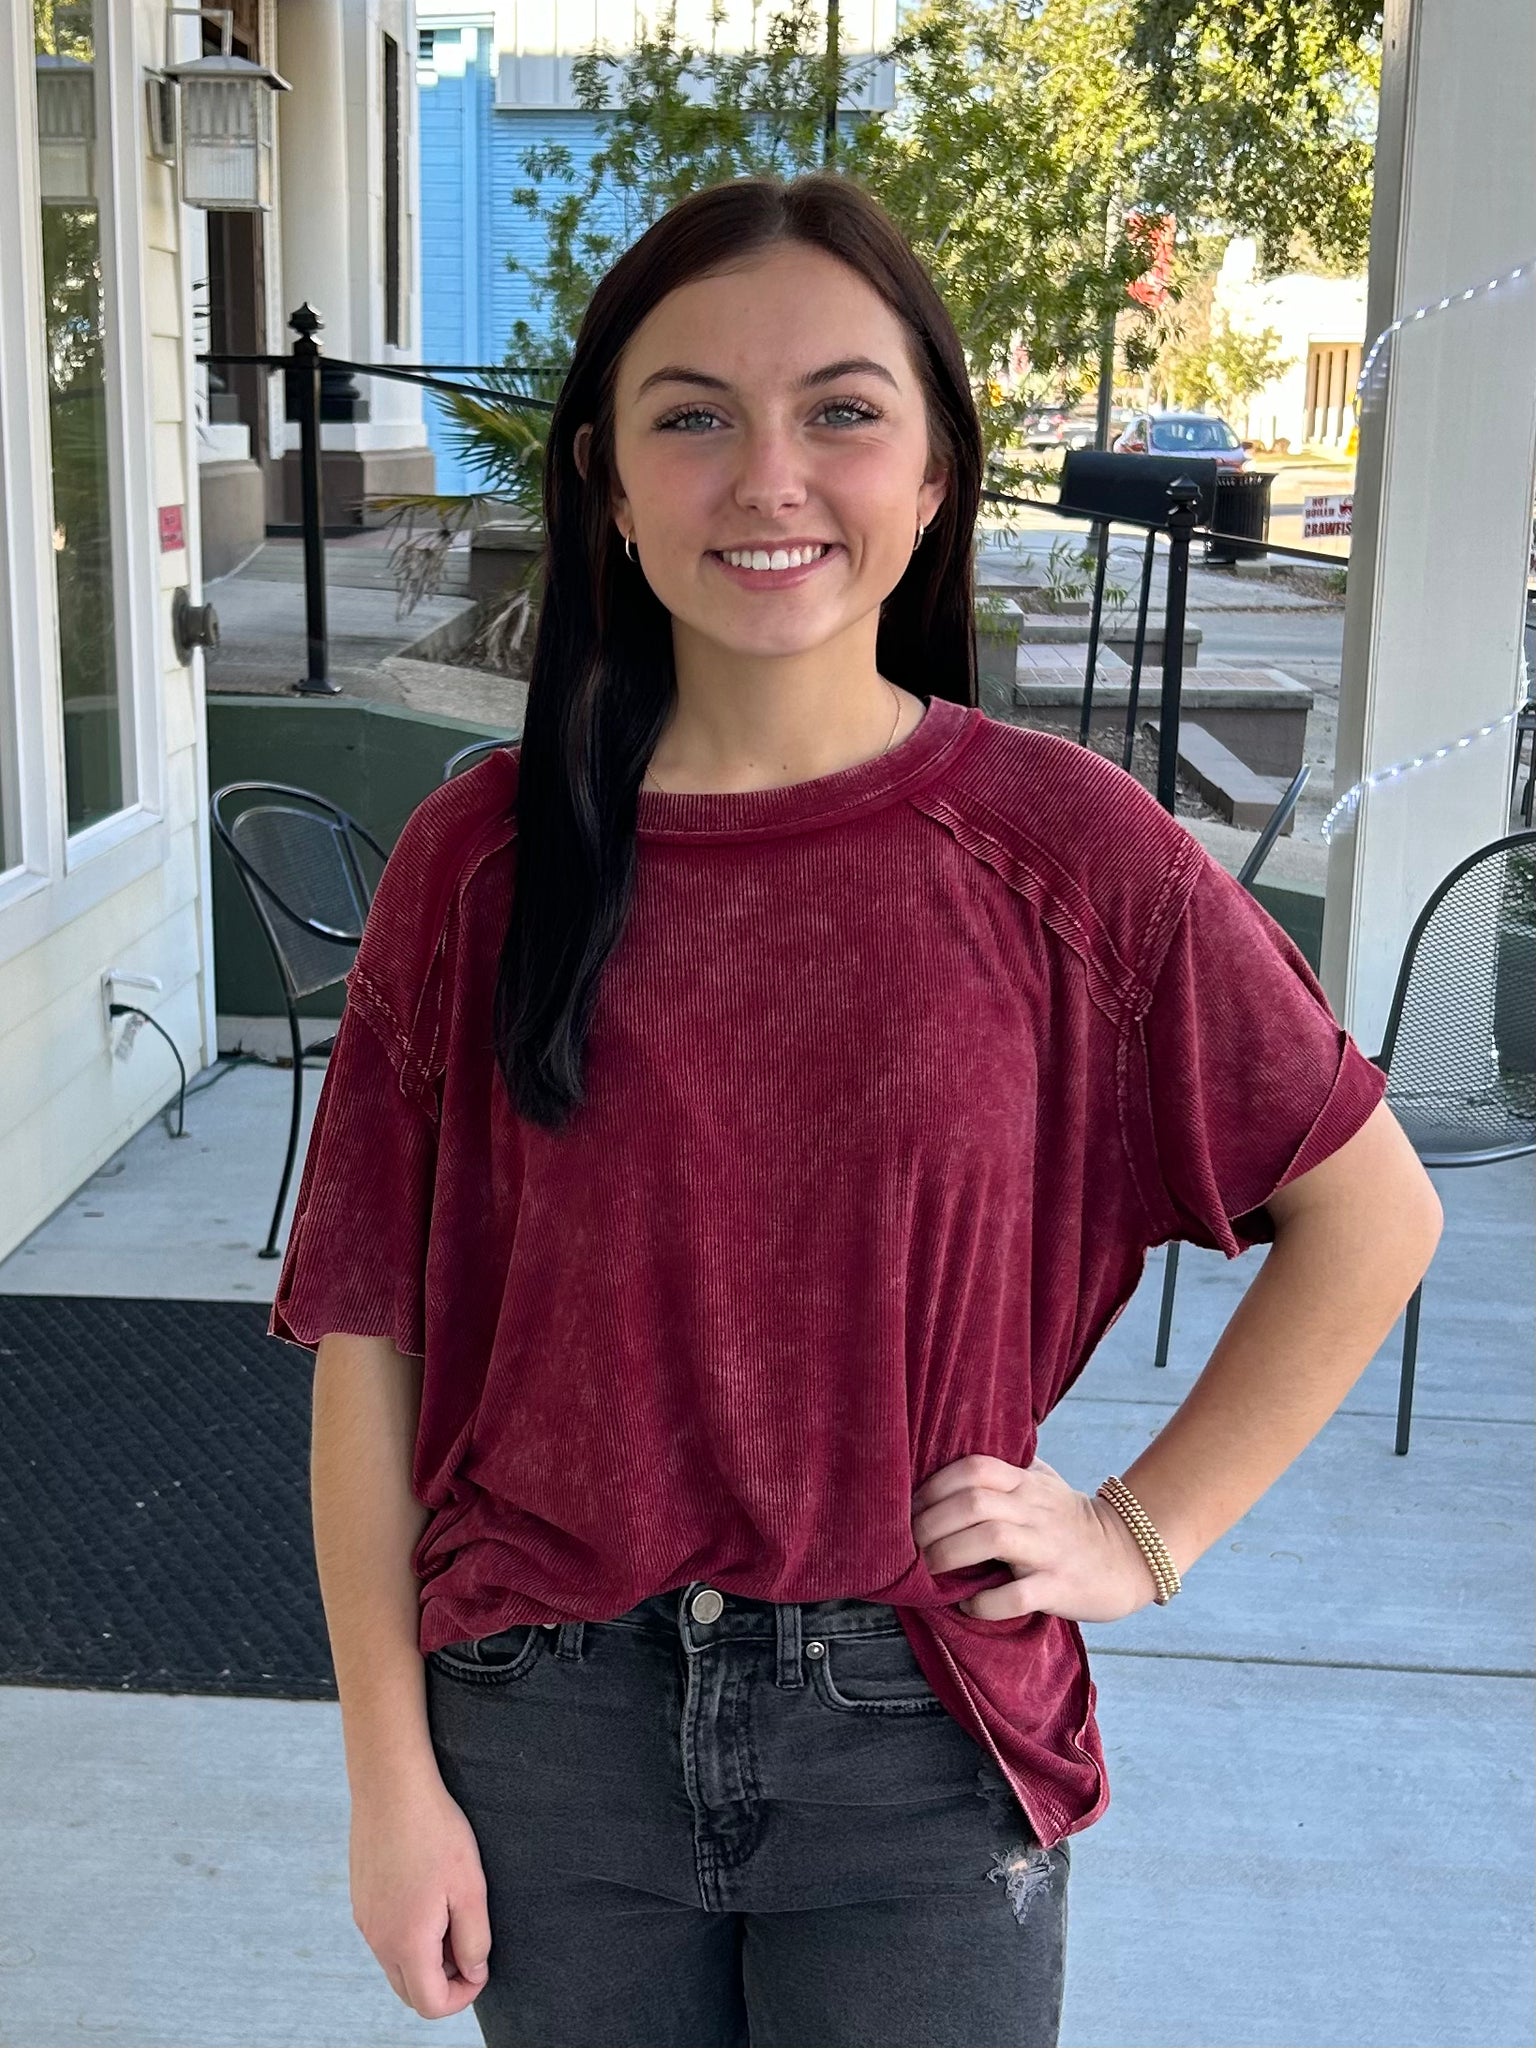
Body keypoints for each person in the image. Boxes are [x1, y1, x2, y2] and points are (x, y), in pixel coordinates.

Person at [268, 173, 1442, 2048]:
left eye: (839, 409)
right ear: (603, 477)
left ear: (938, 469)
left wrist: (1141, 1532)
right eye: (692, 417)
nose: (767, 479)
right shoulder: (480, 864)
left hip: (917, 1737)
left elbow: (1373, 1210)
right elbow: (370, 1346)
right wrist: (384, 1783)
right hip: (545, 1732)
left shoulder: (1067, 856)